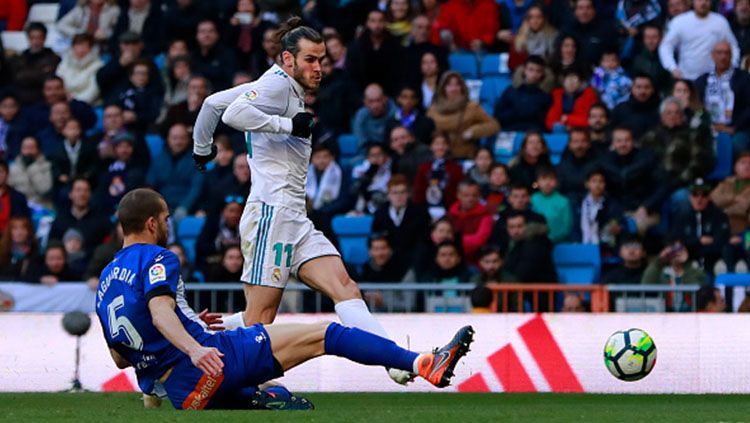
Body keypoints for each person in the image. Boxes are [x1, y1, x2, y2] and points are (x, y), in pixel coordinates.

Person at [95, 188, 474, 409]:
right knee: (328, 334)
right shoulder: (158, 256)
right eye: (163, 220)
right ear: (150, 224)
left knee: (277, 397)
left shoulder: (107, 278)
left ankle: (262, 397)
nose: (166, 225)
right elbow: (159, 310)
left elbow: (119, 354)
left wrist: (187, 326)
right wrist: (194, 347)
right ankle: (423, 363)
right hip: (209, 362)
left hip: (183, 392)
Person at [191, 18, 417, 384]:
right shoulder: (276, 86)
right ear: (287, 59)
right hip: (271, 213)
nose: (319, 68)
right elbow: (232, 115)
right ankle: (192, 363)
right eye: (311, 59)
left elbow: (213, 104)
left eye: (322, 60)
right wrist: (288, 126)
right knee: (259, 320)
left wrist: (202, 149)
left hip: (295, 217)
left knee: (344, 287)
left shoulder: (276, 86)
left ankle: (395, 360)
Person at [659, 0, 739, 81]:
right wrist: (672, 68)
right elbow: (666, 46)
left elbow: (733, 46)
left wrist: (732, 66)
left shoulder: (720, 22)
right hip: (686, 79)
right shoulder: (679, 22)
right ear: (692, 2)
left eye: (706, 0)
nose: (703, 3)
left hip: (715, 79)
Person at [427, 72, 500, 159]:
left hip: (465, 156)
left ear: (462, 88)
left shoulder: (472, 107)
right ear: (443, 89)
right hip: (439, 157)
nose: (453, 89)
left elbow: (494, 125)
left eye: (457, 85)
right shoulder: (433, 110)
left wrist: (473, 132)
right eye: (449, 85)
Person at [695, 40, 750, 154]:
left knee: (735, 145)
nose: (723, 57)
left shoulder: (744, 78)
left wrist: (734, 127)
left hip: (736, 128)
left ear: (731, 56)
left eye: (726, 53)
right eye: (719, 53)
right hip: (708, 127)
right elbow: (697, 105)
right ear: (712, 55)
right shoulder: (702, 80)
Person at [670, 179, 731, 273]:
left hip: (713, 260)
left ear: (709, 197)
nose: (699, 199)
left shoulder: (719, 216)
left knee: (723, 266)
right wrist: (699, 240)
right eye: (695, 194)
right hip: (688, 259)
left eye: (704, 195)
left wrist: (693, 244)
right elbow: (676, 240)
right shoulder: (681, 215)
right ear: (689, 197)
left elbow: (721, 241)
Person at [493, 55, 552, 132]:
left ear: (542, 74)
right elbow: (498, 115)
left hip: (535, 133)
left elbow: (547, 121)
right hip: (510, 129)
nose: (534, 74)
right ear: (524, 70)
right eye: (531, 70)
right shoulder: (511, 91)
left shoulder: (546, 95)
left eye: (538, 71)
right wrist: (515, 112)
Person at [447, 180, 493, 265]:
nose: (470, 199)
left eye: (474, 195)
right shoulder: (450, 214)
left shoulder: (485, 216)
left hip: (474, 262)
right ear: (458, 195)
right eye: (466, 195)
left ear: (479, 196)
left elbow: (478, 240)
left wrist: (453, 239)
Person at [545, 67, 598, 132]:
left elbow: (589, 120)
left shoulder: (589, 95)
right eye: (568, 79)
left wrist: (567, 119)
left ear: (580, 82)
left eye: (574, 79)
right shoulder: (557, 95)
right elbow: (550, 121)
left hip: (582, 130)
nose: (571, 83)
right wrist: (562, 125)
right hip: (562, 130)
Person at [531, 167, 572, 243]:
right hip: (535, 242)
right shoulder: (532, 199)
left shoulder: (563, 201)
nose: (547, 182)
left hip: (558, 243)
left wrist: (551, 239)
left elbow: (566, 227)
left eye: (551, 179)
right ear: (537, 182)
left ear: (556, 182)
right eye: (544, 179)